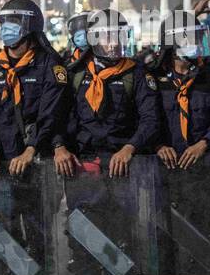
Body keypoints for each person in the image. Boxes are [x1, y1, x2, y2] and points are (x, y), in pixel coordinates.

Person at [0, 0, 71, 179]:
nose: (7, 28)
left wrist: (31, 149)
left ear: (31, 26)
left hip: (37, 159)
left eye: (14, 23)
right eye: (4, 23)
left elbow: (50, 114)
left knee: (40, 206)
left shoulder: (49, 65)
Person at [60, 9, 158, 178]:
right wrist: (60, 147)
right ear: (94, 39)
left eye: (119, 36)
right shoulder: (76, 73)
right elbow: (62, 116)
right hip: (84, 164)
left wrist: (130, 147)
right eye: (107, 37)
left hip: (124, 164)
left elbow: (150, 118)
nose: (114, 44)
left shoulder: (136, 73)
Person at [153, 10, 210, 169]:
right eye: (187, 39)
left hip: (205, 164)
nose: (194, 44)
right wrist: (158, 146)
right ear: (172, 44)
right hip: (163, 166)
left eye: (195, 39)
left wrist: (204, 144)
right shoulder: (154, 80)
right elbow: (145, 120)